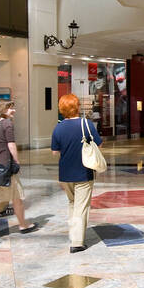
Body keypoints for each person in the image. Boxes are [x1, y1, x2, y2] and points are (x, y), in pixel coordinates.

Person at [0, 99, 37, 243]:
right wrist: (17, 162)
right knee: (17, 197)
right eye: (11, 108)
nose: (14, 110)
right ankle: (23, 225)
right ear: (3, 110)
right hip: (5, 167)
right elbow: (11, 145)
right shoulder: (7, 124)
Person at [51, 93, 101, 253]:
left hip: (65, 172)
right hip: (83, 171)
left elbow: (54, 152)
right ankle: (77, 242)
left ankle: (74, 233)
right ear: (76, 107)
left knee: (72, 203)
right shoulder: (85, 124)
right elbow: (98, 145)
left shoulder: (58, 127)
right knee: (82, 206)